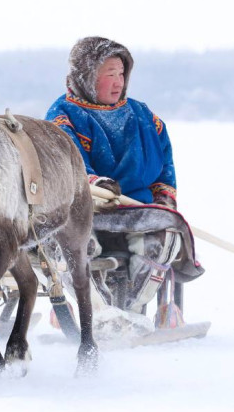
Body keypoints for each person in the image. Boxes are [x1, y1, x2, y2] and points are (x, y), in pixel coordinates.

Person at [45, 36, 182, 315]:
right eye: (110, 74)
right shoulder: (62, 116)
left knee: (164, 237)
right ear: (86, 76)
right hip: (85, 210)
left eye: (121, 73)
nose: (119, 82)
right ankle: (97, 311)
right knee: (74, 245)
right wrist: (95, 185)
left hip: (139, 209)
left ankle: (131, 309)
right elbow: (68, 163)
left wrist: (164, 198)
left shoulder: (143, 115)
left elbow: (164, 162)